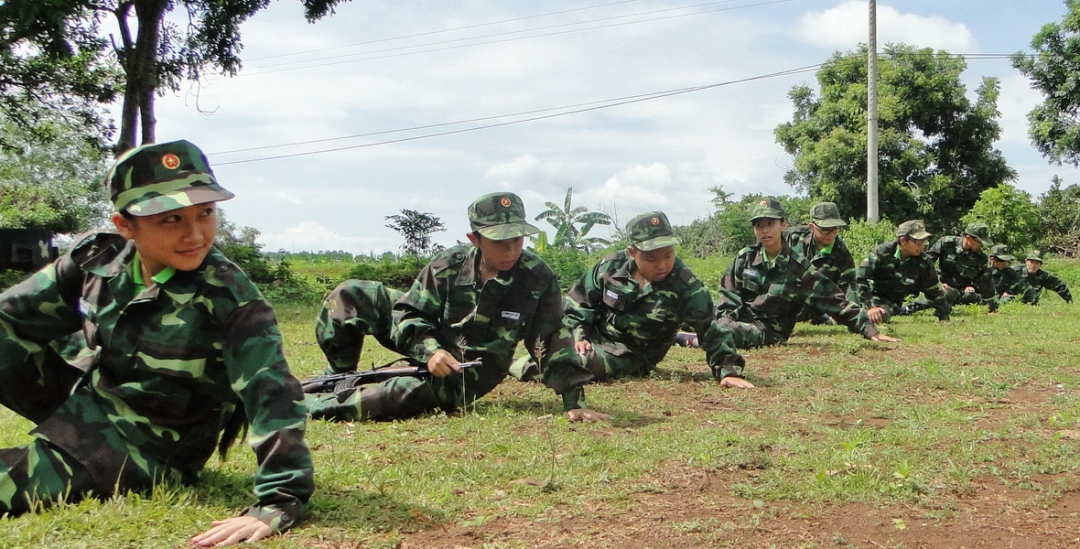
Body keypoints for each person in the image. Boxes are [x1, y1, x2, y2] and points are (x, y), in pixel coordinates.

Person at [0, 140, 314, 547]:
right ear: (125, 225)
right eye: (171, 220)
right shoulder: (97, 257)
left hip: (150, 447)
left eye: (206, 213)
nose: (196, 234)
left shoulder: (231, 299)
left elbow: (272, 392)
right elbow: (12, 314)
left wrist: (280, 500)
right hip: (90, 397)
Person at [308, 192, 595, 422]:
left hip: (472, 367)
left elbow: (551, 337)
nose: (511, 251)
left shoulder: (537, 277)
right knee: (350, 294)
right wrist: (431, 350)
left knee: (384, 400)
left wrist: (575, 402)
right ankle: (338, 377)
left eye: (517, 240)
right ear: (475, 239)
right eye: (499, 241)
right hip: (433, 340)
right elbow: (410, 313)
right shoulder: (448, 266)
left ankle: (302, 404)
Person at [713, 199, 899, 387]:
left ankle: (695, 338)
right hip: (738, 318)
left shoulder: (799, 269)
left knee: (720, 330)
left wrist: (868, 329)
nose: (765, 231)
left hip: (766, 329)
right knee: (700, 314)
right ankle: (700, 334)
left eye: (771, 224)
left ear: (783, 224)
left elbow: (834, 300)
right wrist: (725, 318)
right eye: (759, 225)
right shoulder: (745, 256)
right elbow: (729, 294)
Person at [559, 211, 741, 400]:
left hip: (631, 355)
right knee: (550, 352)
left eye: (668, 255)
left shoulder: (686, 286)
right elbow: (579, 302)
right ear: (632, 253)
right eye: (651, 259)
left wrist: (728, 371)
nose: (662, 265)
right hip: (593, 339)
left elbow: (711, 329)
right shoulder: (610, 266)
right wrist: (578, 336)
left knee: (569, 362)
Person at [856, 220, 950, 323]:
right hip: (865, 295)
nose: (922, 246)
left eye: (924, 241)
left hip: (887, 302)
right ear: (903, 241)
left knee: (878, 317)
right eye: (918, 242)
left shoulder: (924, 262)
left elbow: (934, 290)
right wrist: (869, 306)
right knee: (843, 310)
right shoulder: (882, 252)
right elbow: (859, 278)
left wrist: (943, 316)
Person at [785, 201, 858, 325]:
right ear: (812, 227)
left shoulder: (841, 253)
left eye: (835, 229)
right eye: (825, 230)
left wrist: (853, 316)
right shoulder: (794, 238)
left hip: (818, 308)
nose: (831, 234)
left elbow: (850, 287)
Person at [909, 222, 997, 314]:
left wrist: (992, 309)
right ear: (969, 238)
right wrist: (936, 283)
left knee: (971, 297)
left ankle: (941, 305)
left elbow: (987, 285)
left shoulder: (981, 259)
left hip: (962, 292)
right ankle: (907, 307)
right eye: (980, 242)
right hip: (941, 285)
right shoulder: (946, 243)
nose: (982, 246)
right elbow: (927, 263)